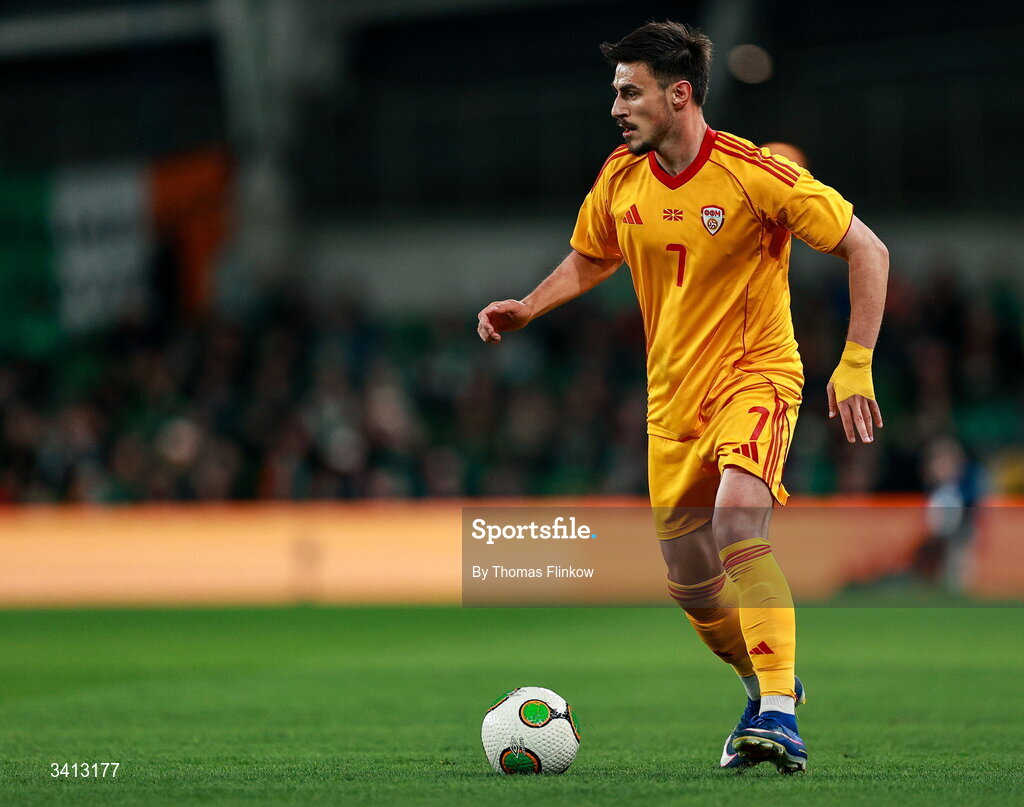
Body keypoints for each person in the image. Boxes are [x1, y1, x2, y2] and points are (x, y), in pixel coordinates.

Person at [476, 21, 887, 774]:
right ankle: (769, 683)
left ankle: (780, 718)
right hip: (671, 402)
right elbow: (591, 254)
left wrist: (855, 361)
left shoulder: (752, 174)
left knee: (737, 519)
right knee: (693, 583)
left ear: (680, 94)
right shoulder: (620, 177)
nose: (616, 107)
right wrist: (531, 306)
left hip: (755, 374)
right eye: (615, 93)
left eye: (630, 92)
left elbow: (869, 247)